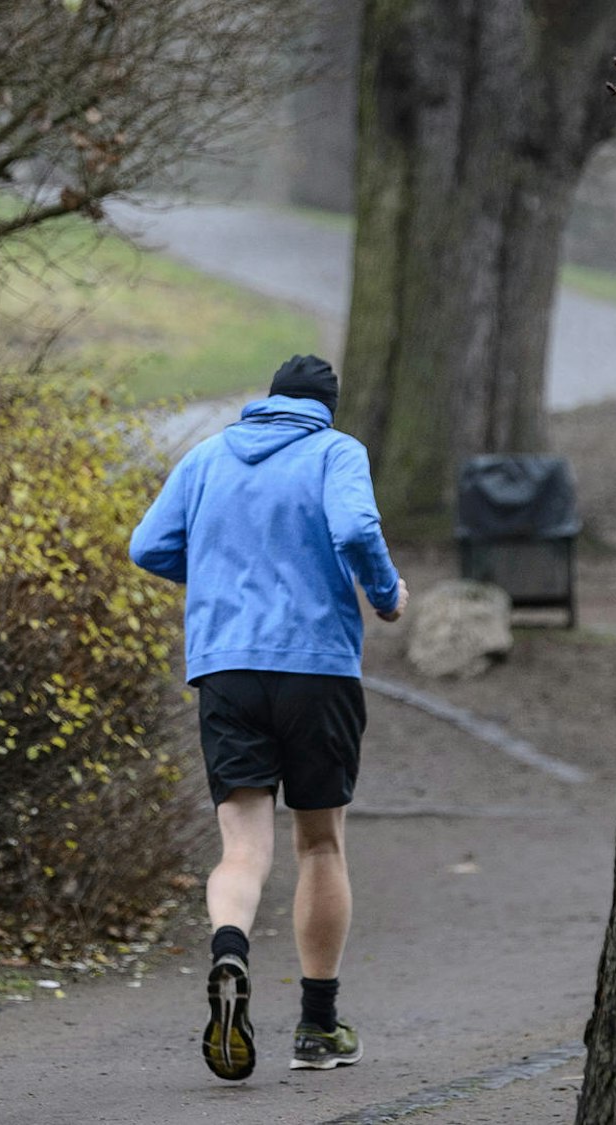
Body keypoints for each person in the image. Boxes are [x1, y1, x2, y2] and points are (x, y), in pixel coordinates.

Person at [128, 354, 406, 1081]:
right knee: (320, 844)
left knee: (243, 849)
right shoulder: (335, 451)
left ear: (269, 400)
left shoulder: (208, 455)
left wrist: (218, 575)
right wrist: (385, 594)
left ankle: (230, 949)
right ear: (326, 408)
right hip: (317, 669)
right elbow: (356, 529)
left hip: (226, 668)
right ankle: (317, 1027)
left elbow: (147, 546)